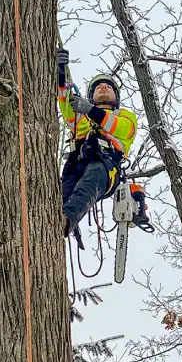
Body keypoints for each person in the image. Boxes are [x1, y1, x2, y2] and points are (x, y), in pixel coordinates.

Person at [57, 47, 138, 239]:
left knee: (90, 180)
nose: (104, 88)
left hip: (105, 166)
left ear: (115, 98)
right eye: (99, 87)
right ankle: (53, 219)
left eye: (108, 87)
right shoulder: (81, 117)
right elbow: (65, 104)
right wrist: (61, 73)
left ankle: (67, 218)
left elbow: (122, 128)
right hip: (78, 164)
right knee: (63, 190)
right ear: (92, 94)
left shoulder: (124, 116)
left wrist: (91, 110)